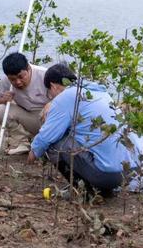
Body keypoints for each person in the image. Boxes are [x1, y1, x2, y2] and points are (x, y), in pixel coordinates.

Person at [27, 63, 136, 195]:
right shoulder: (99, 92)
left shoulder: (65, 97)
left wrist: (32, 155)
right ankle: (103, 191)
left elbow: (46, 136)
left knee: (53, 143)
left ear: (53, 86)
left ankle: (83, 191)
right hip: (128, 173)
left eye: (49, 92)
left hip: (107, 176)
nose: (50, 97)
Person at [0, 52, 51, 155]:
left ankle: (45, 144)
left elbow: (69, 94)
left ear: (28, 68)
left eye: (21, 77)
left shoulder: (45, 75)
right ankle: (23, 143)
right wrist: (3, 99)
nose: (18, 82)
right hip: (30, 117)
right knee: (0, 111)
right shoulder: (6, 81)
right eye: (13, 79)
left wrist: (52, 103)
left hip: (50, 118)